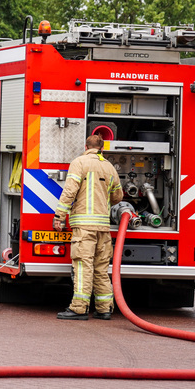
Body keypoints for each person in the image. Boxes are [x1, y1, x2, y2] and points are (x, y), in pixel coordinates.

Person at [53, 134, 124, 321]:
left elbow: (70, 191)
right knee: (101, 268)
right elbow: (118, 196)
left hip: (84, 226)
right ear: (102, 149)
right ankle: (104, 308)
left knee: (83, 266)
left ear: (86, 147)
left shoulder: (79, 163)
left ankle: (79, 308)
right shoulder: (109, 167)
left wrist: (59, 216)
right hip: (103, 227)